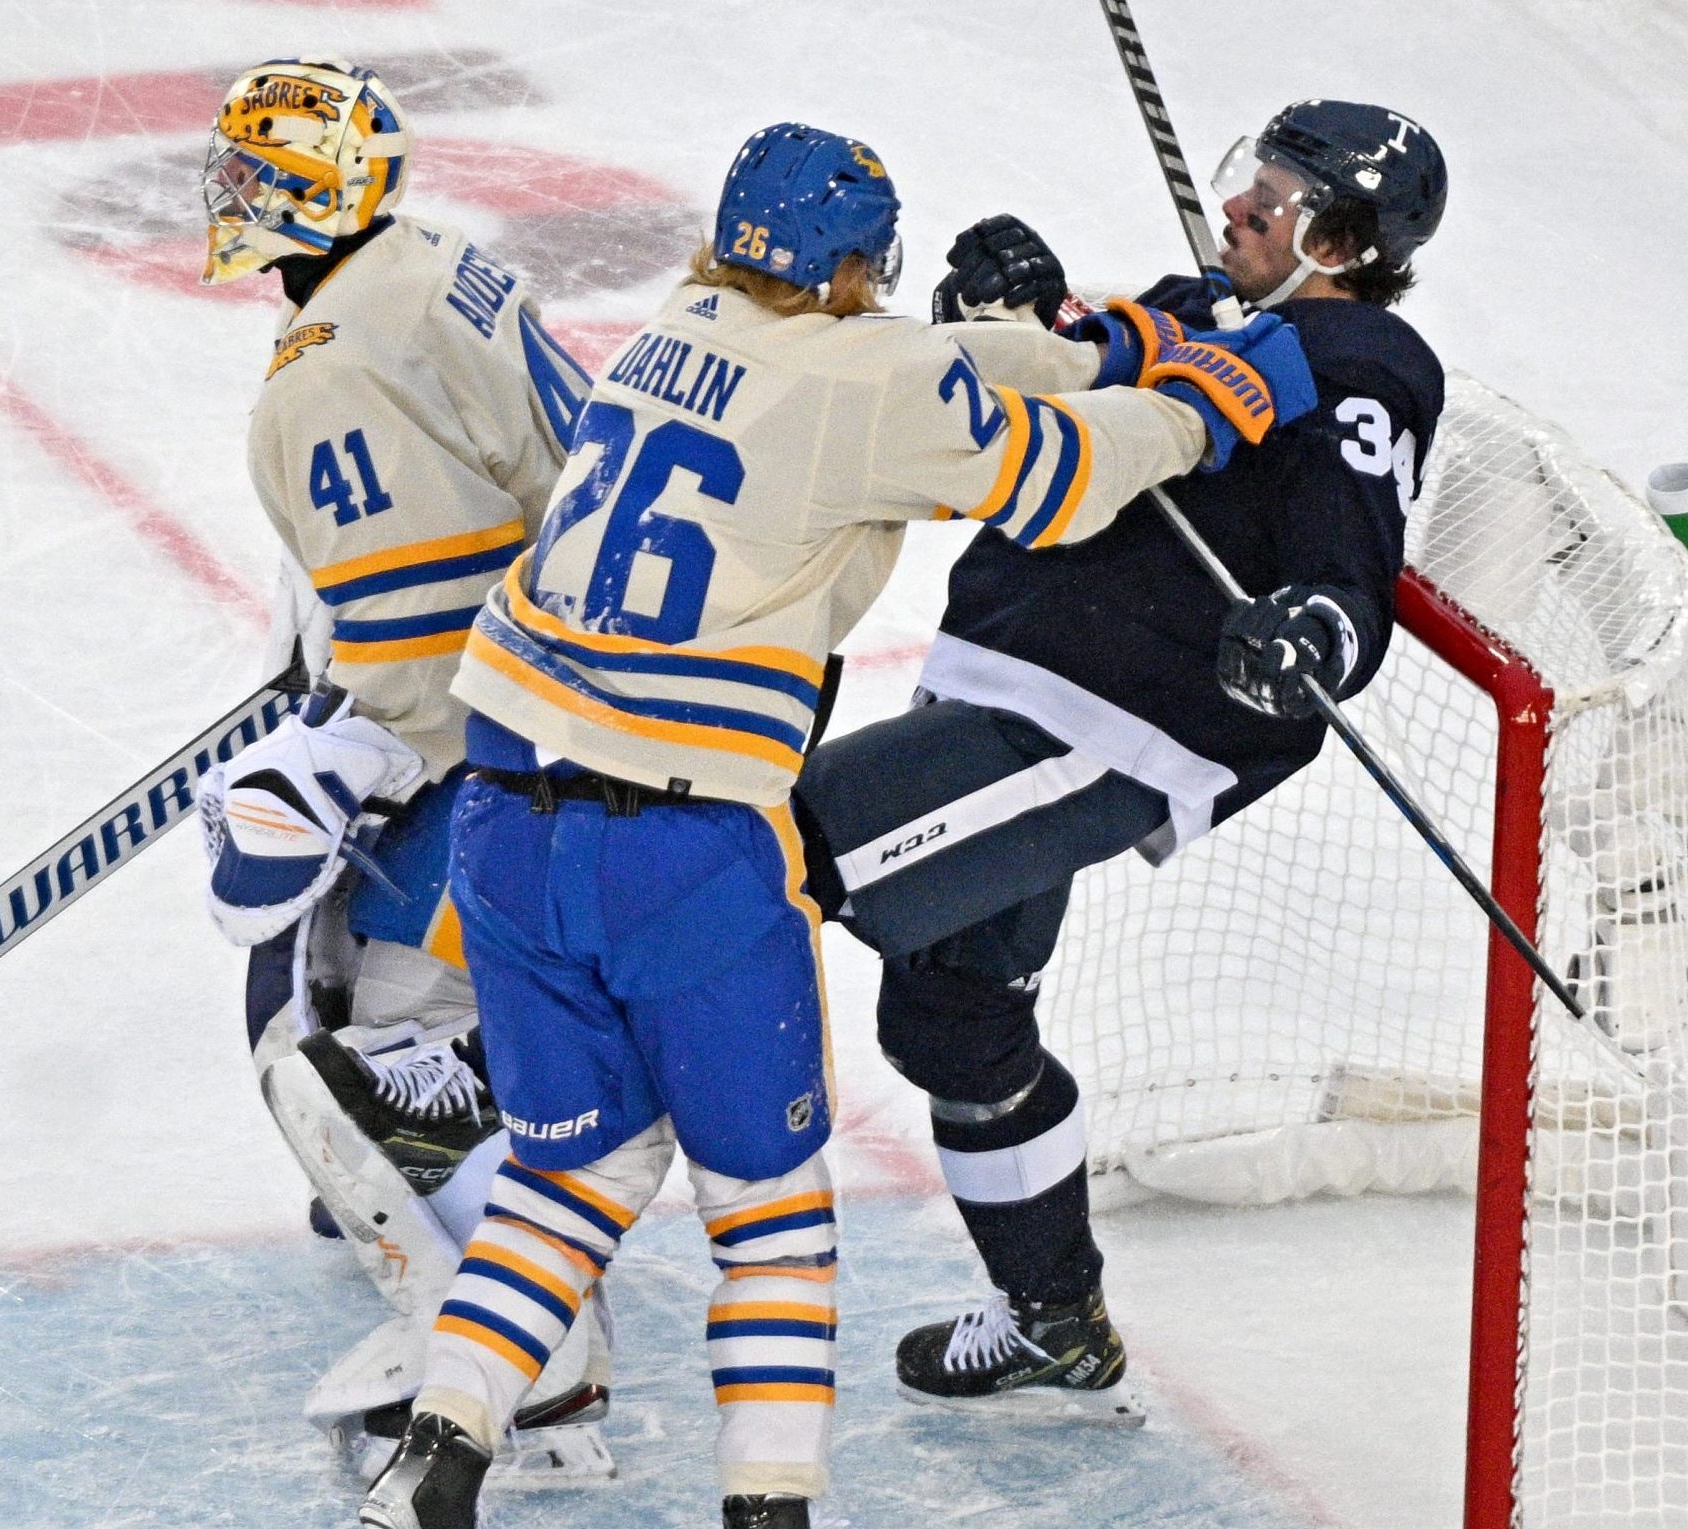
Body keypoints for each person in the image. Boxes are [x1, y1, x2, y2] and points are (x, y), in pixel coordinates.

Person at [355, 120, 1316, 1529]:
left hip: (503, 828)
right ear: (862, 262)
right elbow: (1056, 480)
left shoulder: (677, 325)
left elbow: (917, 377)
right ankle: (770, 1507)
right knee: (769, 1218)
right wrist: (1205, 400)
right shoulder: (871, 375)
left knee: (578, 1173)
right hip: (678, 849)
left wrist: (1095, 344)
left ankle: (439, 1452)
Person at [791, 99, 1448, 1419]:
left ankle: (492, 1118)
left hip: (1100, 724)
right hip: (1003, 669)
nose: (1248, 208)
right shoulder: (1196, 306)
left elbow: (1352, 563)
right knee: (955, 1016)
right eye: (1248, 181)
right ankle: (1055, 1320)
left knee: (759, 858)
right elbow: (1063, 370)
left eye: (1287, 199)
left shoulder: (1361, 353)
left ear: (1352, 242)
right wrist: (1013, 313)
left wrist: (1315, 631)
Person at [186, 56, 616, 1479]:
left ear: (309, 194)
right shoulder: (428, 265)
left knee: (342, 1047)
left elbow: (424, 621)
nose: (230, 198)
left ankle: (528, 1353)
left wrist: (351, 745)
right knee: (387, 1021)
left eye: (255, 176)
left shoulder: (327, 369)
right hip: (595, 704)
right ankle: (478, 1271)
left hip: (517, 745)